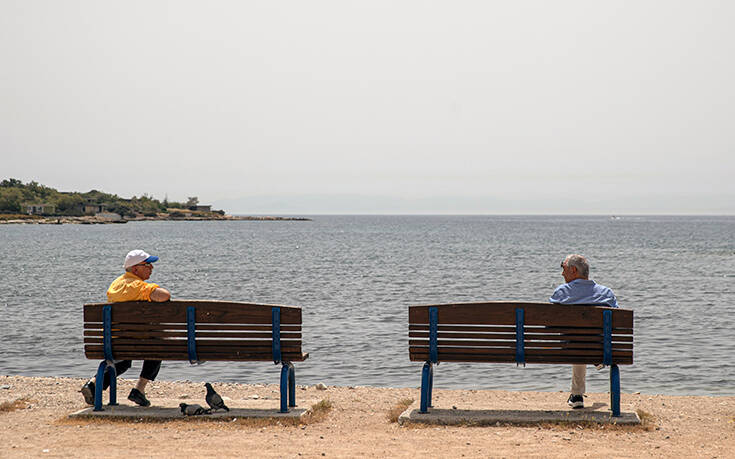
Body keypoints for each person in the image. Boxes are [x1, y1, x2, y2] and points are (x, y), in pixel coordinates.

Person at [80, 249, 171, 407]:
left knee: (124, 360)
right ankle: (139, 389)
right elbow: (164, 295)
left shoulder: (115, 285)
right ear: (135, 269)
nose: (152, 268)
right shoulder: (136, 286)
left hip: (117, 341)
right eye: (147, 265)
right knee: (158, 345)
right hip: (141, 340)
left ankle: (94, 384)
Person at [550, 254, 618, 409]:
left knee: (575, 339)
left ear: (574, 270)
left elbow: (550, 324)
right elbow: (616, 325)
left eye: (564, 269)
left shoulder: (561, 293)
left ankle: (577, 395)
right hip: (599, 347)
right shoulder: (606, 293)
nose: (562, 273)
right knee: (584, 338)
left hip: (569, 348)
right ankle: (594, 360)